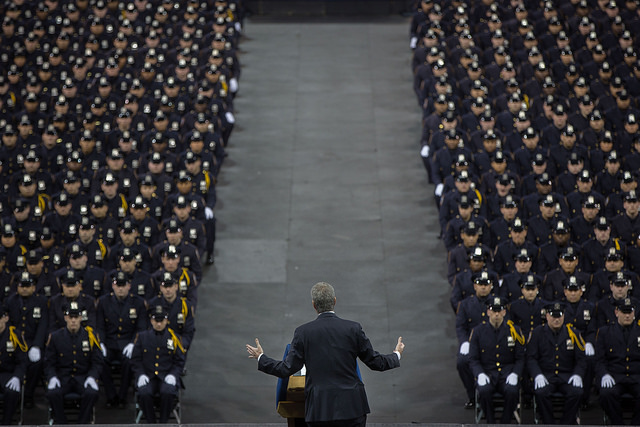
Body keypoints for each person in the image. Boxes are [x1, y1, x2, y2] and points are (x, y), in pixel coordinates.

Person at [246, 282, 404, 427]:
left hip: (319, 412)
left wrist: (261, 357)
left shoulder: (303, 333)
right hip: (353, 409)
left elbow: (286, 369)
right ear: (335, 301)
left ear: (314, 305)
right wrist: (396, 354)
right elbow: (376, 362)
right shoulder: (353, 329)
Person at [44, 301, 104, 425]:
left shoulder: (90, 336)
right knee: (52, 393)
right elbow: (49, 362)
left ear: (81, 318)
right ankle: (61, 423)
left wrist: (92, 376)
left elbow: (97, 362)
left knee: (91, 393)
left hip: (83, 377)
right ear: (65, 317)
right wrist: (52, 377)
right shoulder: (55, 337)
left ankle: (82, 423)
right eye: (70, 317)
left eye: (76, 317)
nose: (73, 321)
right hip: (63, 378)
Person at [468, 296, 525, 424]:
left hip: (507, 374)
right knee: (484, 391)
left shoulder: (514, 331)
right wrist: (480, 374)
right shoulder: (478, 332)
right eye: (494, 311)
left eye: (500, 311)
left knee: (512, 391)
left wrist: (515, 373)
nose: (497, 314)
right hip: (487, 373)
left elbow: (520, 358)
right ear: (488, 312)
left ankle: (505, 422)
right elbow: (473, 359)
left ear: (505, 312)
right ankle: (491, 422)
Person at [526, 302, 586, 424]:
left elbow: (581, 359)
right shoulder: (537, 333)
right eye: (553, 316)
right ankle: (549, 423)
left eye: (559, 316)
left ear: (563, 316)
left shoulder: (573, 333)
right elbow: (531, 358)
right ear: (547, 316)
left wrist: (578, 374)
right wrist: (537, 375)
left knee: (577, 392)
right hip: (546, 375)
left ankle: (566, 423)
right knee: (541, 393)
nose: (556, 319)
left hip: (567, 376)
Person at [130, 305, 186, 424]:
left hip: (166, 375)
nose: (159, 324)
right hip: (148, 376)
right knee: (144, 393)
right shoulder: (142, 337)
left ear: (166, 320)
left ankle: (163, 422)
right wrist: (140, 374)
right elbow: (135, 360)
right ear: (151, 321)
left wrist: (173, 375)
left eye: (161, 321)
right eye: (156, 321)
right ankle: (151, 423)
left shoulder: (174, 338)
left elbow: (179, 361)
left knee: (168, 392)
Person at [595, 298, 640, 425]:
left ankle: (636, 424)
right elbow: (599, 360)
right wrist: (604, 374)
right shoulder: (605, 332)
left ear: (634, 313)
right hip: (615, 376)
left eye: (629, 312)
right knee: (606, 394)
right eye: (624, 312)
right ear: (616, 312)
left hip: (637, 376)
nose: (627, 315)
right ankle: (617, 423)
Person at [0, 307, 28, 424]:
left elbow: (22, 361)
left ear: (5, 318)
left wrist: (17, 376)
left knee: (12, 391)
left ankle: (7, 423)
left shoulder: (14, 336)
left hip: (8, 373)